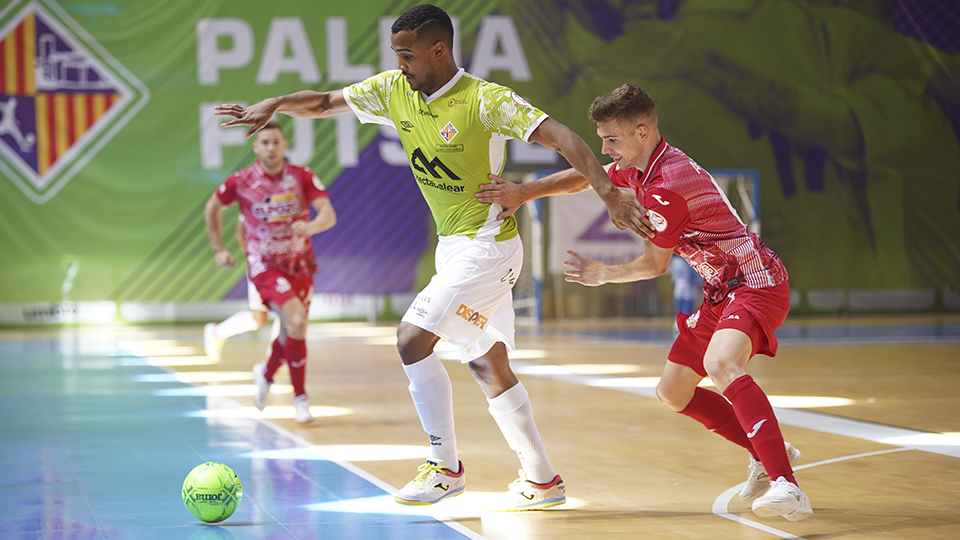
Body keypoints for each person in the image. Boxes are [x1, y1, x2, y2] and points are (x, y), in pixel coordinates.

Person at [214, 3, 648, 510]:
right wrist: (278, 102)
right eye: (395, 54)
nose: (400, 63)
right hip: (454, 250)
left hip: (488, 247)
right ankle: (542, 480)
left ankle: (445, 467)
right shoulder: (392, 90)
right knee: (488, 364)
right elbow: (324, 103)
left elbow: (566, 139)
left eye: (408, 54)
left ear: (438, 50)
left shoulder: (486, 101)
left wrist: (608, 193)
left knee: (411, 337)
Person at [477, 84, 812, 521]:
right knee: (672, 392)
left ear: (642, 131)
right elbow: (587, 176)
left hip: (755, 281)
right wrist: (526, 192)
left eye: (611, 140)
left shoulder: (668, 184)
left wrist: (605, 273)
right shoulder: (640, 167)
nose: (604, 148)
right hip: (720, 289)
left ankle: (788, 485)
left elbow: (655, 265)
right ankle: (765, 450)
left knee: (722, 364)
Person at [204, 120, 336, 425]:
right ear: (256, 147)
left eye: (276, 142)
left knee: (292, 327)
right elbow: (213, 209)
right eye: (265, 142)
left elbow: (328, 213)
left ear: (285, 145)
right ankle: (300, 397)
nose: (271, 148)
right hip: (264, 267)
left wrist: (313, 226)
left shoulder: (302, 177)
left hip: (300, 265)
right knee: (294, 319)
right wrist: (218, 249)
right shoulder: (242, 181)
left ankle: (264, 375)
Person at [204, 218, 280, 362]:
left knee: (282, 312)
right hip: (262, 265)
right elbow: (240, 227)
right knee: (260, 318)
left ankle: (275, 359)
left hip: (284, 263)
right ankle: (217, 332)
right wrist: (251, 256)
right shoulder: (256, 198)